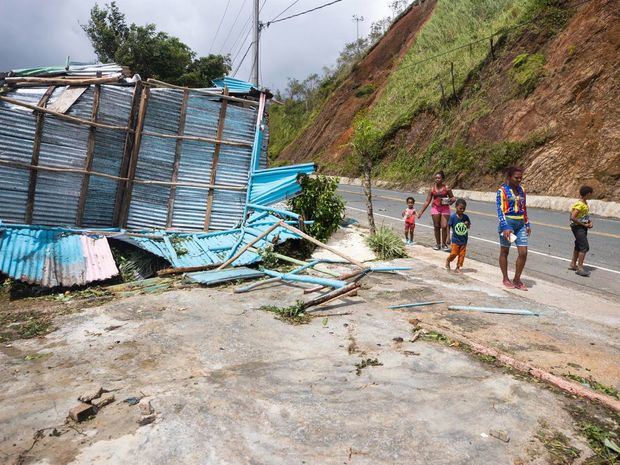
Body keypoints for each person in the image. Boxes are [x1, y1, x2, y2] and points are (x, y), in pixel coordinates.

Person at [496, 166, 531, 290]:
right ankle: (505, 278)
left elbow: (524, 208)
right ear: (509, 177)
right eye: (516, 177)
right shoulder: (502, 191)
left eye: (521, 177)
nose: (519, 180)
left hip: (520, 224)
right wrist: (505, 227)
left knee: (523, 252)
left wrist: (527, 224)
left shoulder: (522, 190)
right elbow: (500, 210)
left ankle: (517, 279)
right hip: (507, 224)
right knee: (505, 251)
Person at [418, 171, 455, 251]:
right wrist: (421, 212)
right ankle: (438, 244)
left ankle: (444, 244)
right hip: (435, 208)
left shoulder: (447, 188)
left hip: (445, 208)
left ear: (442, 179)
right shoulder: (432, 189)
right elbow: (427, 201)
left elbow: (453, 198)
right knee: (436, 226)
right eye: (436, 178)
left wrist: (450, 201)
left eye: (439, 178)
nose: (437, 179)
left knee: (444, 226)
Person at [568, 185, 594, 277]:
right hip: (578, 227)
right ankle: (580, 268)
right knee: (584, 247)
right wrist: (584, 225)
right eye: (591, 194)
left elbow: (583, 216)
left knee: (578, 245)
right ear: (587, 194)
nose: (592, 195)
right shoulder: (580, 204)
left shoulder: (584, 203)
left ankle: (573, 264)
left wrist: (589, 222)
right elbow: (573, 217)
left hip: (581, 227)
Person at [445, 198, 471, 273]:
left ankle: (458, 267)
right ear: (456, 207)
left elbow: (469, 226)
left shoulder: (466, 217)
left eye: (463, 209)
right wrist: (448, 237)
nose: (462, 210)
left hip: (464, 240)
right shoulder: (453, 217)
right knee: (454, 253)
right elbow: (448, 226)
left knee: (462, 255)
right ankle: (448, 260)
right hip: (455, 239)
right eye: (460, 208)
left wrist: (467, 224)